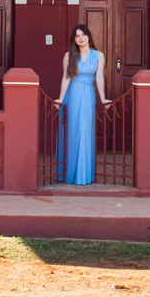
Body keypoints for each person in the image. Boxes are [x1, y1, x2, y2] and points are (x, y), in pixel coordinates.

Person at [57, 23, 107, 184]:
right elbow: (66, 77)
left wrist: (103, 99)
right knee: (72, 131)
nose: (80, 38)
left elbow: (99, 77)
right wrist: (60, 99)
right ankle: (69, 173)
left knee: (84, 130)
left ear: (88, 36)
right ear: (74, 39)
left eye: (83, 34)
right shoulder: (69, 55)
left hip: (88, 95)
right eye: (77, 36)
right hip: (72, 95)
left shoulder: (98, 55)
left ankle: (83, 174)